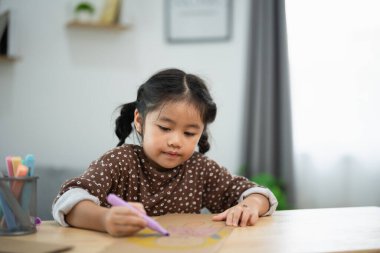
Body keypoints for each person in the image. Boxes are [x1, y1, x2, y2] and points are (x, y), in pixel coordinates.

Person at [52, 68, 278, 237]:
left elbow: (256, 193)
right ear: (140, 122)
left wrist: (251, 206)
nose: (176, 141)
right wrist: (105, 219)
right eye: (165, 128)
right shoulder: (120, 161)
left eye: (189, 133)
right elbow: (69, 201)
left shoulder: (199, 169)